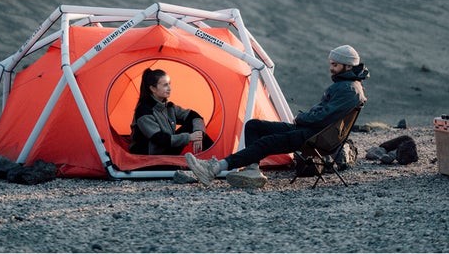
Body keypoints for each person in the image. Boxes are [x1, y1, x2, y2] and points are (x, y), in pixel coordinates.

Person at [185, 45, 369, 188]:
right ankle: (252, 170)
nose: (331, 68)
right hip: (311, 130)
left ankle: (214, 169)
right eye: (331, 64)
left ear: (348, 66)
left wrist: (301, 118)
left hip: (315, 137)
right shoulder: (345, 86)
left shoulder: (349, 90)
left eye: (335, 65)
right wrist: (304, 119)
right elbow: (324, 114)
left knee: (267, 142)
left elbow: (324, 117)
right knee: (254, 125)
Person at [129, 68, 214, 155]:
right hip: (149, 155)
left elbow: (194, 115)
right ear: (153, 88)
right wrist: (189, 137)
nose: (169, 88)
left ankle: (216, 157)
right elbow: (159, 139)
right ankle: (216, 158)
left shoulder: (168, 107)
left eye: (169, 84)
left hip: (166, 148)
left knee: (193, 125)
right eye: (165, 85)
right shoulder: (143, 111)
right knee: (188, 133)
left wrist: (198, 134)